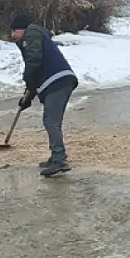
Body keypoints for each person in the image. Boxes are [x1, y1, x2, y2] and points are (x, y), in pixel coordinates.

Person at [10, 13, 79, 176]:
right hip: (58, 81)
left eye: (14, 31)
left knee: (50, 121)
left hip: (57, 82)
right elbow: (36, 70)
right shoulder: (35, 36)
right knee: (51, 121)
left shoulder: (31, 34)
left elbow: (34, 61)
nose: (13, 36)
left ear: (21, 29)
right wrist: (28, 96)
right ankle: (56, 157)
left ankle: (60, 160)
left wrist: (28, 81)